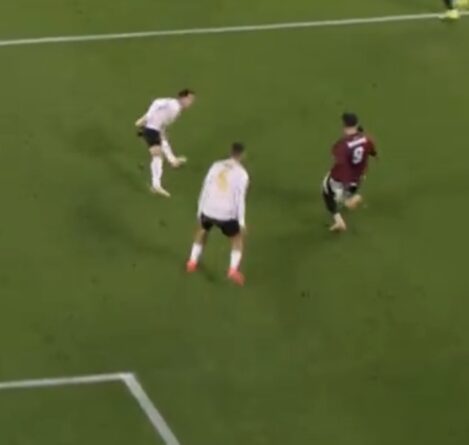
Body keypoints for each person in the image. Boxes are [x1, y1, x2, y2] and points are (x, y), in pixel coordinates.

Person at [186, 143, 249, 286]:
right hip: (226, 214)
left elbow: (205, 187)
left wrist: (200, 210)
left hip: (208, 209)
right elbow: (240, 199)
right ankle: (233, 270)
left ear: (230, 152)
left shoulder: (216, 165)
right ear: (242, 155)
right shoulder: (242, 174)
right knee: (237, 239)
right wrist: (241, 222)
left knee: (202, 231)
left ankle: (192, 261)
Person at [322, 113, 377, 232]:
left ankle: (341, 216)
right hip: (358, 177)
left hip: (342, 178)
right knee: (347, 191)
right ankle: (348, 198)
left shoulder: (342, 145)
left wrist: (344, 181)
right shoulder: (367, 139)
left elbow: (339, 161)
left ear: (344, 126)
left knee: (327, 192)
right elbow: (373, 153)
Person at [135, 89, 195, 197]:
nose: (190, 103)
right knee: (157, 155)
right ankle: (156, 185)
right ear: (182, 98)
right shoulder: (173, 104)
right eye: (189, 99)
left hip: (155, 129)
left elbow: (162, 122)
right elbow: (156, 102)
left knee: (161, 147)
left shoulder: (177, 110)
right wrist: (145, 118)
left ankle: (172, 162)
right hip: (151, 129)